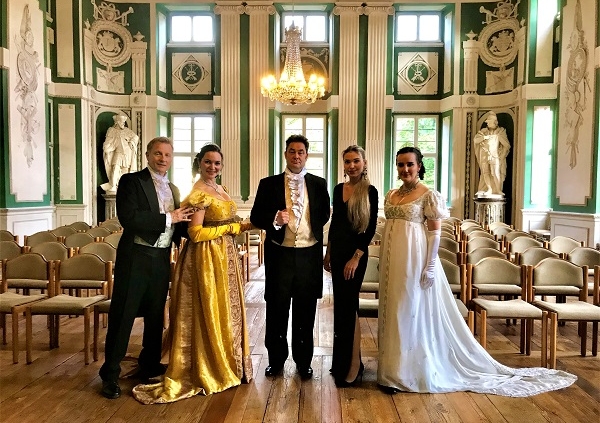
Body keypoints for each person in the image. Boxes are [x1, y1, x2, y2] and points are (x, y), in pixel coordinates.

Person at [376, 146, 577, 396]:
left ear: (419, 166)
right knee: (392, 308)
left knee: (409, 310)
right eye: (400, 165)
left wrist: (429, 266)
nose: (405, 169)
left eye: (409, 164)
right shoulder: (391, 194)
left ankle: (406, 372)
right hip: (391, 260)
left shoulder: (428, 195)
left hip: (414, 259)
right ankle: (390, 368)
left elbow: (435, 233)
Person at [132, 143, 254, 404]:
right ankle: (207, 366)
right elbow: (195, 233)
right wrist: (228, 230)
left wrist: (252, 223)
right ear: (200, 163)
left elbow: (229, 223)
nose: (213, 167)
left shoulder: (221, 189)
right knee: (207, 309)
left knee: (223, 308)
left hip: (225, 257)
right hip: (205, 258)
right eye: (208, 162)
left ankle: (226, 362)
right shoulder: (198, 193)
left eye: (217, 163)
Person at [99, 137, 194, 400]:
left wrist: (200, 221)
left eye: (167, 155)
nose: (163, 159)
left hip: (162, 257)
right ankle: (110, 374)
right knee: (124, 315)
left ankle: (149, 364)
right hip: (136, 257)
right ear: (147, 155)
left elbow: (179, 225)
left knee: (155, 315)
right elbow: (129, 217)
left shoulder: (174, 189)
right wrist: (169, 217)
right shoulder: (132, 181)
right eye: (158, 154)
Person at [250, 134, 330, 379]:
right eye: (292, 151)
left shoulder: (319, 183)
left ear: (307, 155)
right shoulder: (268, 183)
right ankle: (275, 360)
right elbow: (255, 217)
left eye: (301, 152)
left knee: (306, 311)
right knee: (276, 310)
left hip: (309, 256)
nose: (297, 156)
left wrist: (310, 229)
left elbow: (324, 213)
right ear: (285, 154)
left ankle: (304, 361)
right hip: (279, 256)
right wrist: (274, 220)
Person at [323, 145, 378, 387]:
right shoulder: (338, 188)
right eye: (347, 161)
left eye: (356, 161)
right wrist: (328, 252)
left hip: (356, 256)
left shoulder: (371, 191)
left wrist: (356, 257)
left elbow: (370, 227)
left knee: (350, 307)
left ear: (364, 163)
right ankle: (342, 362)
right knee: (340, 309)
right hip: (338, 253)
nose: (351, 165)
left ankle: (354, 367)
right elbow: (335, 223)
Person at [473, 111, 511, 196]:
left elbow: (506, 145)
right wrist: (484, 137)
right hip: (484, 155)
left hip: (495, 156)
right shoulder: (483, 131)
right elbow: (476, 140)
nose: (488, 123)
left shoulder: (500, 131)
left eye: (489, 122)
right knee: (485, 173)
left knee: (495, 172)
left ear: (495, 122)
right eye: (487, 122)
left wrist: (502, 155)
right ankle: (489, 189)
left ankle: (498, 189)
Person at [101, 113, 140, 193]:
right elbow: (108, 141)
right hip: (117, 152)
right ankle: (113, 185)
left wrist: (131, 142)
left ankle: (124, 187)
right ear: (117, 122)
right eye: (121, 122)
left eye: (123, 122)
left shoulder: (127, 131)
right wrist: (106, 147)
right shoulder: (111, 130)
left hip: (127, 152)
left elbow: (135, 137)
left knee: (125, 170)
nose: (123, 124)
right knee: (115, 167)